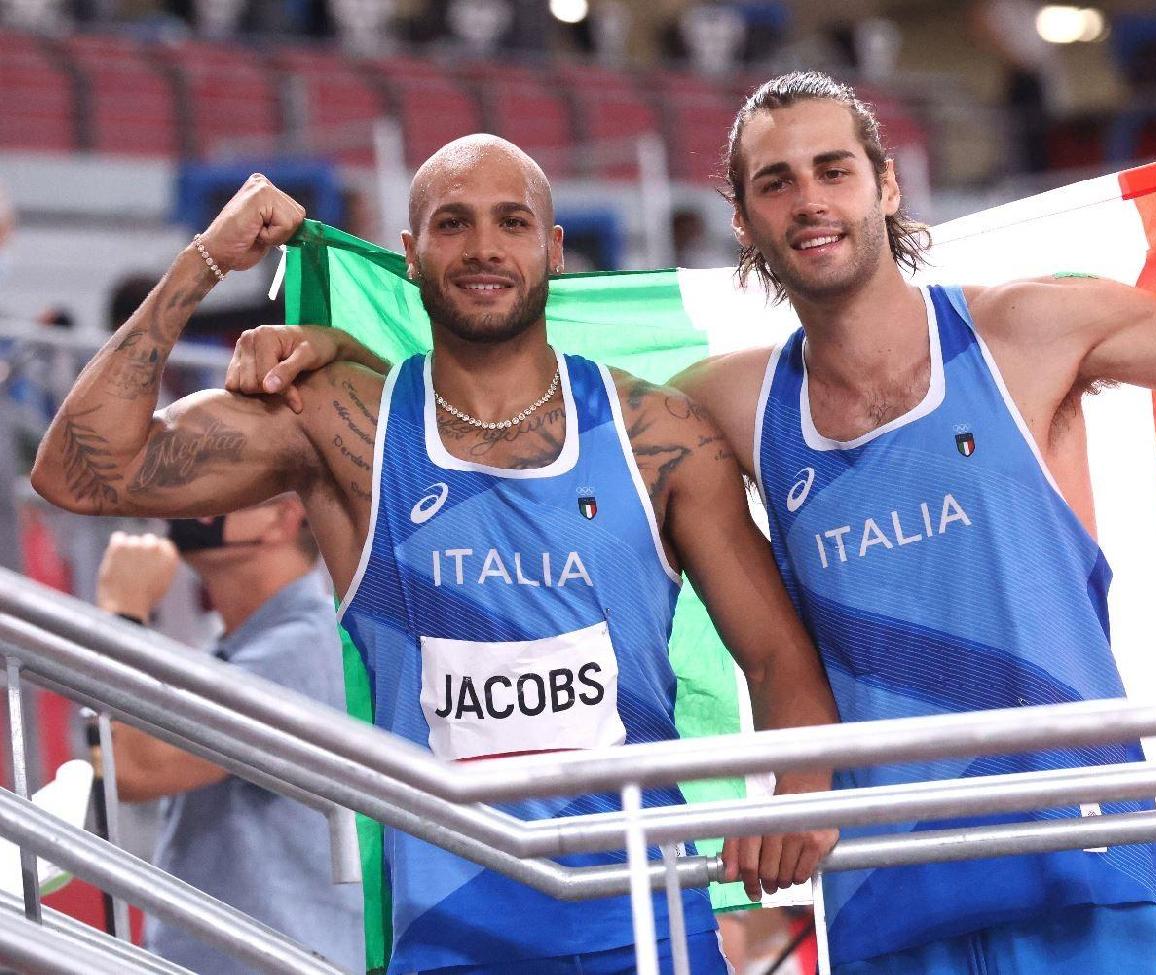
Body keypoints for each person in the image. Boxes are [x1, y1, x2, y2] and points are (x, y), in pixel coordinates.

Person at [215, 30, 1156, 974]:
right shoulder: (733, 403)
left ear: (885, 183)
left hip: (1083, 861)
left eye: (829, 168)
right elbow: (514, 417)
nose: (808, 199)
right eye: (773, 182)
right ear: (745, 225)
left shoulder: (1029, 336)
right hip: (887, 896)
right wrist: (334, 353)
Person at [30, 134, 839, 974]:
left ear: (552, 251)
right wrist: (204, 261)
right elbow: (82, 470)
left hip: (643, 926)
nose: (484, 247)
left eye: (511, 222)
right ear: (411, 256)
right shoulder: (346, 427)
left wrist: (799, 793)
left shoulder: (655, 436)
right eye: (453, 224)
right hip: (450, 940)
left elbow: (778, 653)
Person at [92, 502, 364, 973]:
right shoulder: (245, 647)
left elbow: (133, 769)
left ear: (286, 517)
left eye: (225, 488)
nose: (193, 497)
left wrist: (123, 615)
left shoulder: (298, 649)